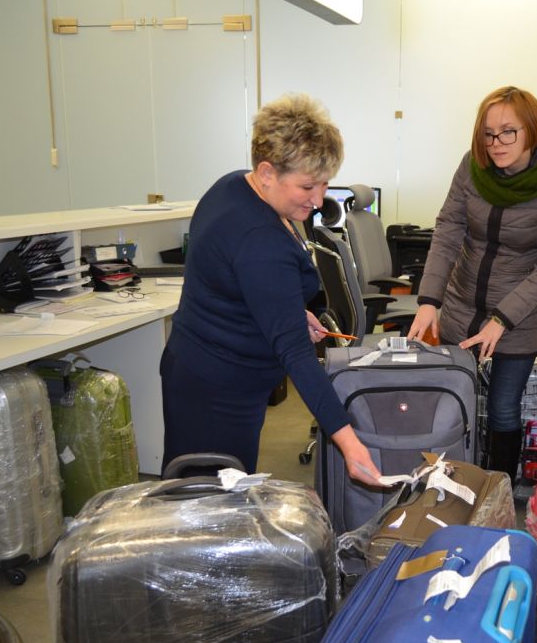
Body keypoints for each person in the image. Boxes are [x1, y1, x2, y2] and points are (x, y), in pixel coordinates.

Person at [160, 93, 382, 485]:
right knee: (210, 500)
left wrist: (289, 310)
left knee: (210, 490)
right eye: (307, 186)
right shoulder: (260, 239)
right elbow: (296, 353)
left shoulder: (234, 186)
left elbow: (238, 282)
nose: (319, 200)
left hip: (200, 367)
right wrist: (350, 443)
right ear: (267, 173)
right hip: (217, 390)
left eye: (325, 184)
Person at [407, 86, 537, 481]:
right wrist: (429, 300)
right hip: (462, 306)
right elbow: (448, 230)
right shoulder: (472, 166)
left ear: (532, 130)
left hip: (519, 319)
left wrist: (502, 320)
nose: (496, 143)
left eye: (508, 132)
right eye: (488, 133)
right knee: (452, 403)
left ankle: (496, 491)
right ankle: (445, 485)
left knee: (503, 408)